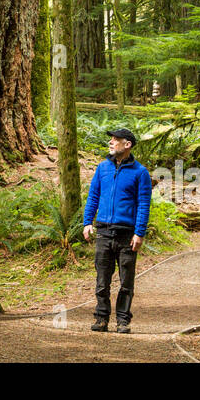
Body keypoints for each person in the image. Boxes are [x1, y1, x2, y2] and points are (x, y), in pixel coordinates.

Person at [81, 128, 152, 333]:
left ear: (127, 144)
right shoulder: (102, 168)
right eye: (111, 139)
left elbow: (143, 204)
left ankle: (123, 320)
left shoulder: (140, 173)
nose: (111, 142)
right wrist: (88, 223)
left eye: (115, 139)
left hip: (127, 235)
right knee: (102, 280)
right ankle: (101, 318)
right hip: (103, 231)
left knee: (126, 282)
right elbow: (93, 197)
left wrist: (139, 233)